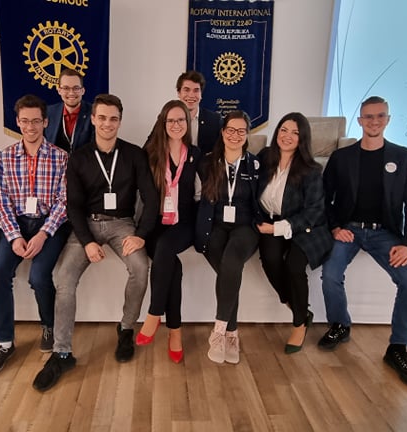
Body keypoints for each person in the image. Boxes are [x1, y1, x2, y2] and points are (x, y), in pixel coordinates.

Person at [33, 94, 159, 391]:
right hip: (86, 225)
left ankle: (126, 329)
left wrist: (140, 234)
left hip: (122, 225)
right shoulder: (79, 157)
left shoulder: (134, 154)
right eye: (101, 117)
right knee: (64, 278)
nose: (107, 123)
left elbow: (151, 198)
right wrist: (88, 241)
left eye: (113, 118)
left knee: (141, 267)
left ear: (120, 121)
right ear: (92, 119)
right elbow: (74, 206)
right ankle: (62, 353)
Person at [318, 96, 407, 388]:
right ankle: (340, 324)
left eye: (380, 116)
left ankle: (399, 347)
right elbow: (324, 198)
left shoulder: (404, 158)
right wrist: (334, 227)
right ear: (360, 121)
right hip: (349, 230)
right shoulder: (342, 158)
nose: (374, 121)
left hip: (384, 233)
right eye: (368, 116)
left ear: (388, 120)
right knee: (330, 274)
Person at [0, 94, 71, 378]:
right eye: (25, 121)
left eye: (36, 121)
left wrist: (43, 234)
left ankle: (49, 325)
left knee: (39, 276)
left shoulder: (60, 157)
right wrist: (13, 236)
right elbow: (0, 202)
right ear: (17, 123)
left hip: (49, 224)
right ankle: (4, 343)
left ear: (45, 122)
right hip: (17, 224)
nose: (30, 127)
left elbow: (64, 202)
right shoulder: (5, 157)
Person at [255, 113, 332, 354]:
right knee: (269, 259)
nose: (287, 136)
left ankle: (299, 324)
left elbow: (314, 211)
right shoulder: (265, 157)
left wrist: (276, 228)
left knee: (294, 265)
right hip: (270, 221)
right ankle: (299, 309)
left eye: (295, 132)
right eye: (284, 129)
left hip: (306, 226)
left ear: (303, 138)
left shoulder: (311, 170)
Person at [135, 100, 203, 364]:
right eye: (171, 120)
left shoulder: (196, 154)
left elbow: (201, 195)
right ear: (163, 124)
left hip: (184, 224)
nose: (176, 125)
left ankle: (154, 314)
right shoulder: (150, 153)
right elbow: (146, 196)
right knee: (173, 266)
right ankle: (175, 332)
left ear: (188, 123)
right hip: (156, 222)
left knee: (165, 249)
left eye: (181, 120)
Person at [195, 110, 261, 365]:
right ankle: (232, 333)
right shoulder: (206, 162)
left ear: (247, 134)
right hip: (214, 226)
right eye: (230, 130)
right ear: (222, 132)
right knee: (228, 272)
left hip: (245, 227)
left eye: (241, 131)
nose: (235, 135)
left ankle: (219, 330)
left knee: (232, 260)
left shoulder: (255, 164)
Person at [44, 68, 93, 153]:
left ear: (83, 91)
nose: (71, 93)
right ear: (59, 90)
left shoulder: (94, 113)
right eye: (66, 88)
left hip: (86, 161)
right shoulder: (48, 112)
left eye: (76, 88)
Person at [176, 71, 221, 155]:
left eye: (196, 90)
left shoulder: (215, 120)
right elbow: (152, 146)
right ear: (179, 93)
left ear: (201, 94)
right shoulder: (167, 118)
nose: (191, 95)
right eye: (186, 90)